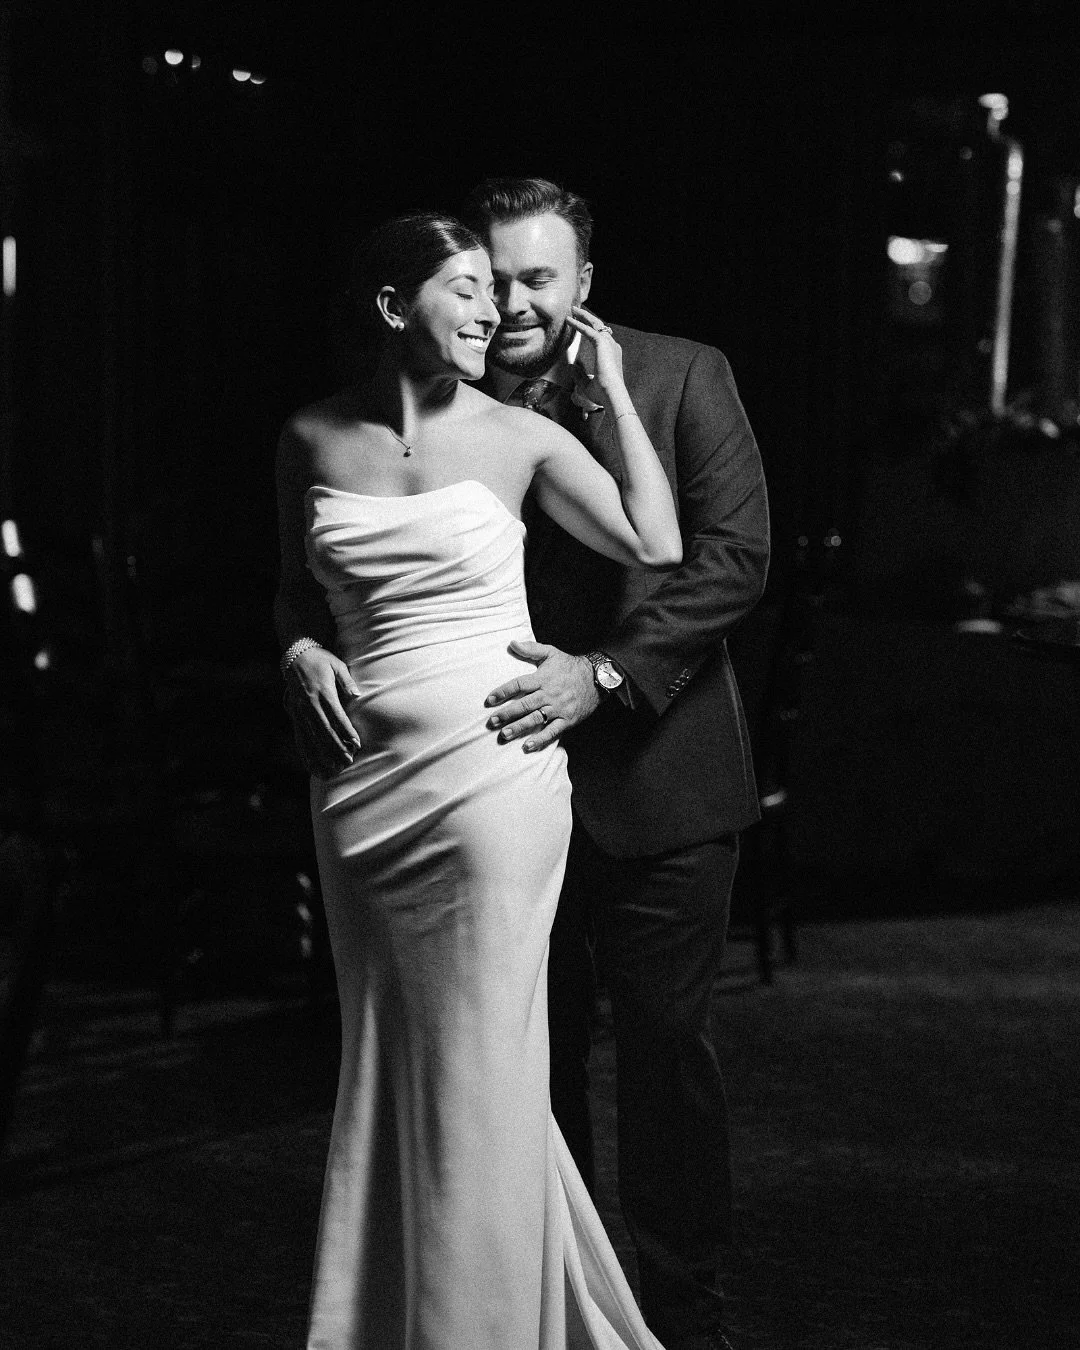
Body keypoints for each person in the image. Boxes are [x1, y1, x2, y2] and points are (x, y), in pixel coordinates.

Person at [274, 210, 683, 1350]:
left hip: (494, 782)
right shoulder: (308, 436)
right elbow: (289, 593)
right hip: (361, 794)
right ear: (395, 307)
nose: (495, 311)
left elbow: (654, 541)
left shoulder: (521, 437)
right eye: (465, 289)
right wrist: (299, 649)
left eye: (495, 292)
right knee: (390, 1055)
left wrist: (603, 386)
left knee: (482, 1058)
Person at [459, 178, 771, 1350]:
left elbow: (735, 561)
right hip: (499, 780)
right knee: (524, 1064)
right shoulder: (444, 390)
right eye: (497, 279)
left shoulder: (685, 373)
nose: (518, 302)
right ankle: (558, 1307)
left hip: (662, 779)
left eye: (541, 277)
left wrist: (598, 674)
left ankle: (685, 1315)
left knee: (663, 1052)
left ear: (585, 280)